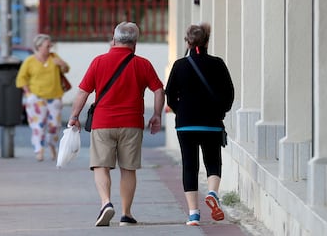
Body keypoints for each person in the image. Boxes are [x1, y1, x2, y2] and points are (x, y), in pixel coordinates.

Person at [68, 21, 165, 227]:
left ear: (113, 40)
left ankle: (105, 203)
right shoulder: (143, 64)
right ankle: (127, 215)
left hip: (103, 123)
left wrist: (74, 116)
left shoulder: (98, 62)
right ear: (135, 44)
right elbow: (158, 89)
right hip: (132, 123)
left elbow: (83, 92)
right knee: (128, 169)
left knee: (100, 166)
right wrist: (157, 115)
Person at [165, 22, 234, 226]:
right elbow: (229, 94)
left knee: (190, 165)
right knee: (213, 161)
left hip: (186, 125)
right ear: (207, 41)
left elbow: (170, 96)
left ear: (187, 42)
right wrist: (220, 111)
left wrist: (182, 112)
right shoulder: (218, 64)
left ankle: (193, 214)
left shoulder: (179, 65)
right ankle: (212, 192)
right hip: (212, 123)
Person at [16, 34, 70, 161]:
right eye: (47, 46)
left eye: (50, 45)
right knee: (38, 126)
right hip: (37, 98)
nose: (49, 48)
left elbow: (66, 69)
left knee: (54, 126)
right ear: (39, 47)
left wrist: (61, 63)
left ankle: (51, 145)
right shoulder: (30, 61)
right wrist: (28, 93)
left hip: (54, 97)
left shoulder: (54, 57)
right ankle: (39, 150)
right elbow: (21, 78)